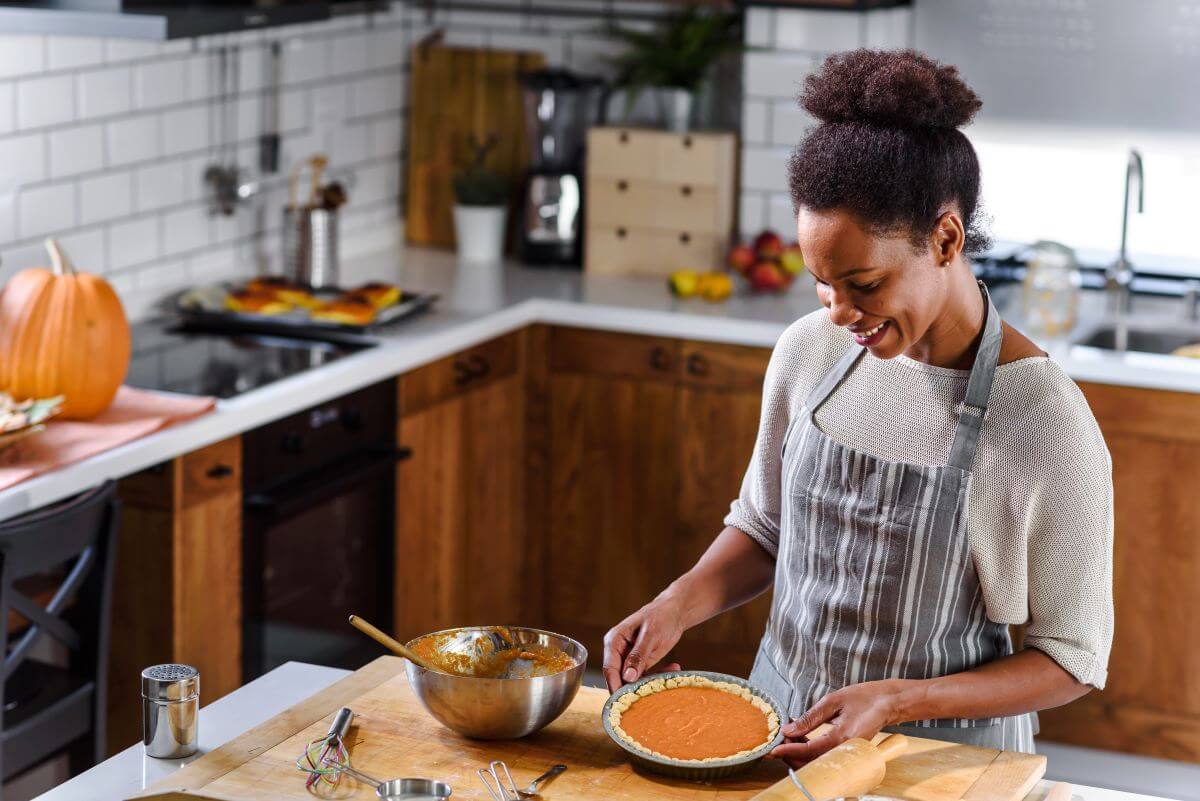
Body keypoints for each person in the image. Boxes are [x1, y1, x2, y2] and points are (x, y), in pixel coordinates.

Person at [602, 49, 1113, 764]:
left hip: (938, 763)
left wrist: (899, 698)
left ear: (945, 239)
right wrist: (675, 605)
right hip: (776, 739)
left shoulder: (1043, 421)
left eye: (863, 283)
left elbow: (1071, 656)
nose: (840, 311)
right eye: (820, 282)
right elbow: (765, 526)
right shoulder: (808, 352)